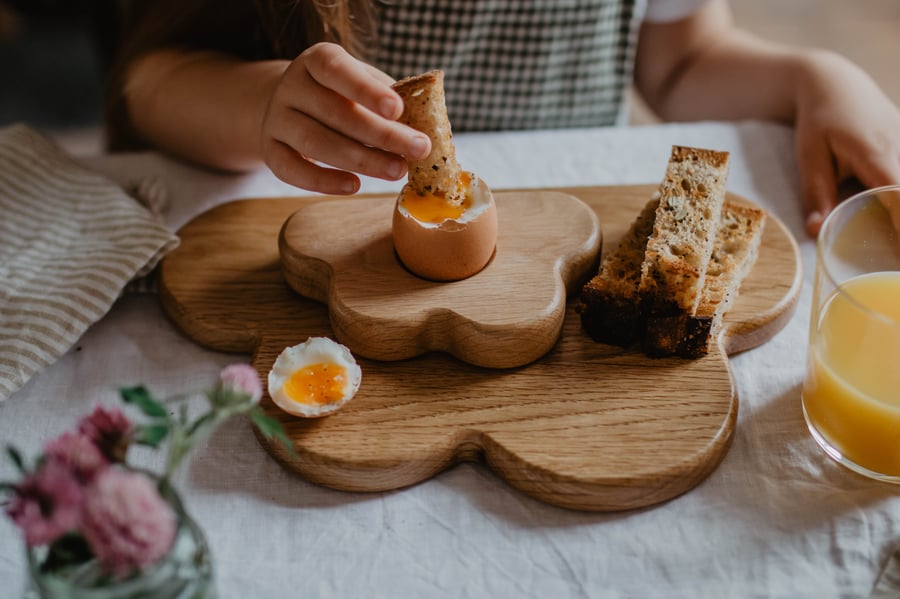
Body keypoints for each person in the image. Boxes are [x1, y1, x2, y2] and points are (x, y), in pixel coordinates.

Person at [105, 0, 900, 237]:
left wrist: (812, 76)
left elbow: (681, 62)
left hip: (564, 231)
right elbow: (152, 80)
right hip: (320, 227)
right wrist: (260, 106)